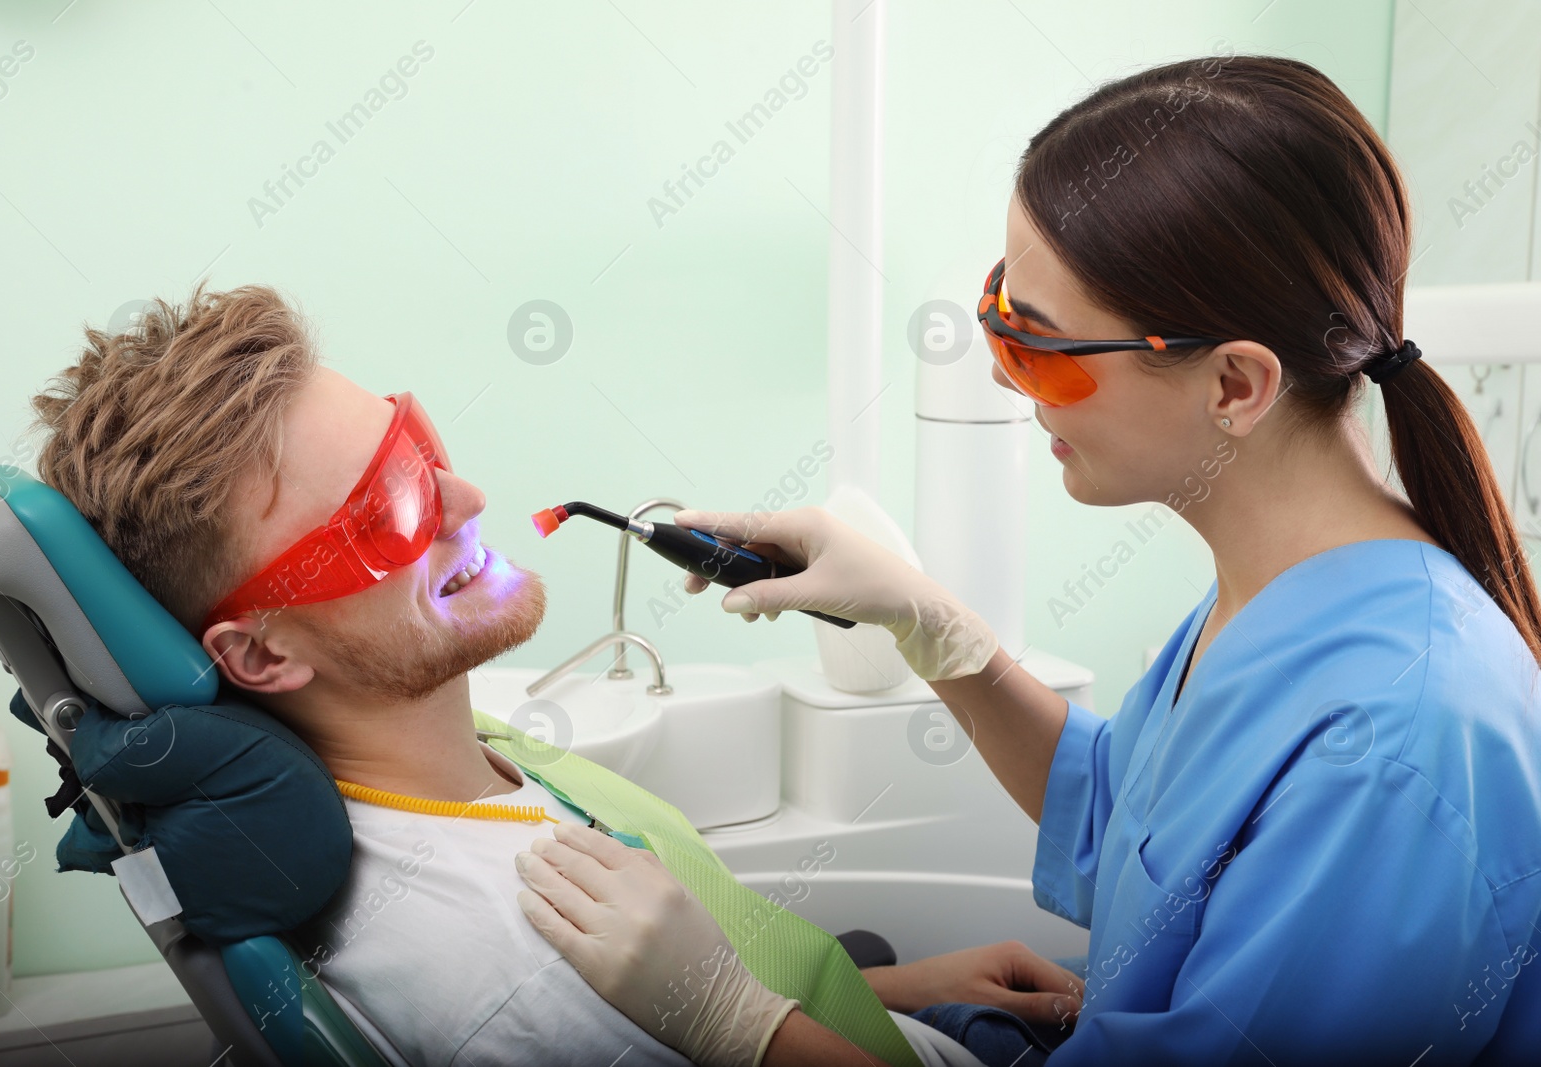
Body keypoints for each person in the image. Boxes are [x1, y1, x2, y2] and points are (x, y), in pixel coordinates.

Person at [514, 54, 1541, 1065]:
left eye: (1034, 348)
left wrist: (745, 1026)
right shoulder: (1284, 588)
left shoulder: (1396, 746)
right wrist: (926, 622)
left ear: (1233, 383)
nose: (1013, 387)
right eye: (996, 314)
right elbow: (1121, 815)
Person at [27, 283, 1080, 1067]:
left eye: (416, 447)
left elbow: (691, 974)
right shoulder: (504, 962)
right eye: (384, 512)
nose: (465, 493)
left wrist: (889, 988)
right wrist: (740, 1028)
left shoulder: (450, 763)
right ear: (262, 651)